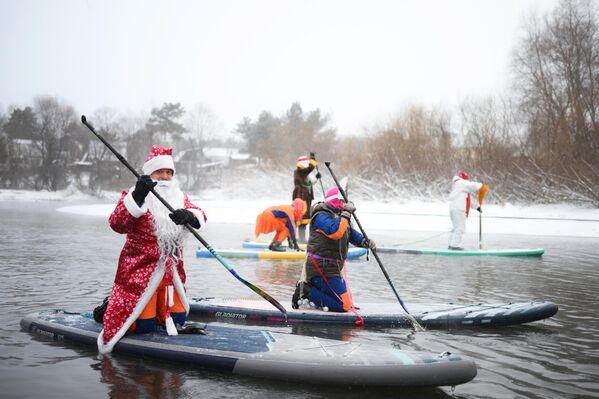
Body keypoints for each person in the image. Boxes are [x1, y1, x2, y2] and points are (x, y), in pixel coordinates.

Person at [97, 145, 207, 354]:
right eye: (160, 172)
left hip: (170, 273)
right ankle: (108, 307)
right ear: (149, 173)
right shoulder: (134, 195)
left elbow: (199, 214)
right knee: (143, 326)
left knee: (178, 319)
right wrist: (138, 196)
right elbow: (117, 224)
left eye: (169, 172)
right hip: (140, 271)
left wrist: (190, 216)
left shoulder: (179, 197)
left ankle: (160, 311)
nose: (165, 177)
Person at [291, 186, 375, 312]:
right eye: (342, 201)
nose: (345, 204)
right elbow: (335, 232)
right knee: (344, 306)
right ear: (334, 201)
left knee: (348, 301)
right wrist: (346, 213)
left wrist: (364, 241)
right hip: (320, 267)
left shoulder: (340, 216)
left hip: (333, 268)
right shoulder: (320, 216)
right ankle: (306, 291)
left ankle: (315, 291)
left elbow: (350, 233)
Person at [448, 170, 489, 250]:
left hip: (454, 208)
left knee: (456, 228)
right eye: (466, 180)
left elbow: (467, 201)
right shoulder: (460, 183)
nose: (467, 182)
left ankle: (451, 244)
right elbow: (473, 186)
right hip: (459, 209)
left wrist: (477, 207)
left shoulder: (459, 187)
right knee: (460, 228)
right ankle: (454, 246)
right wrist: (482, 186)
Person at [293, 153, 320, 243]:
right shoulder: (299, 170)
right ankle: (300, 240)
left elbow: (309, 183)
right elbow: (311, 168)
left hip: (306, 196)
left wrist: (316, 177)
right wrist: (313, 160)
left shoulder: (304, 172)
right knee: (301, 216)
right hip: (300, 196)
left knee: (305, 216)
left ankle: (301, 239)